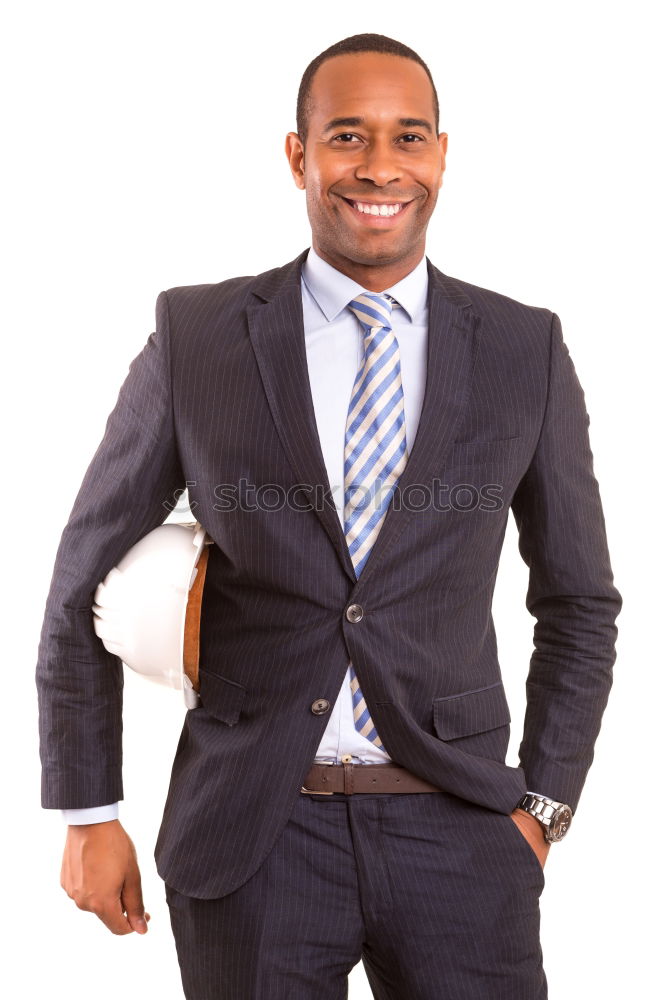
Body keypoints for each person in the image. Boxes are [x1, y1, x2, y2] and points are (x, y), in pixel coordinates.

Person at [36, 32, 622, 999]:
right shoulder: (200, 337)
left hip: (464, 838)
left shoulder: (527, 348)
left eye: (409, 137)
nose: (380, 166)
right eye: (347, 136)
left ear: (442, 154)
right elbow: (80, 579)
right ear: (299, 155)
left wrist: (544, 808)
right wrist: (89, 808)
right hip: (252, 838)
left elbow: (580, 604)